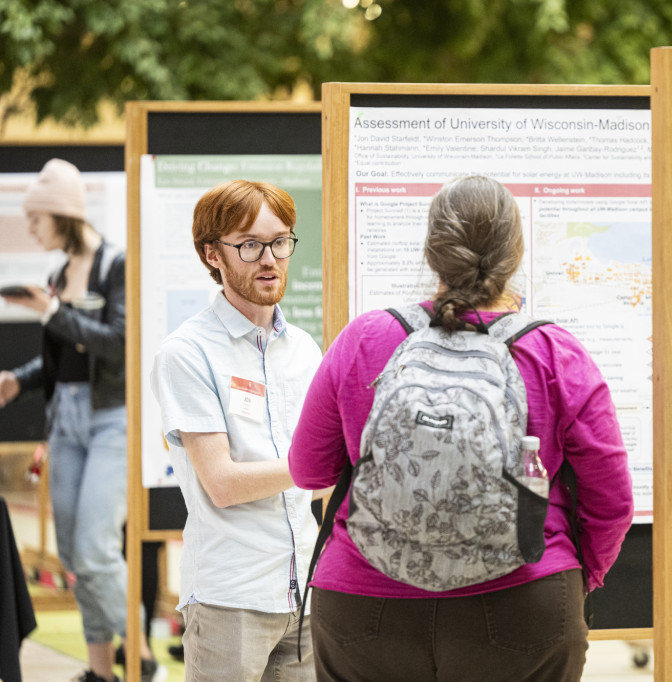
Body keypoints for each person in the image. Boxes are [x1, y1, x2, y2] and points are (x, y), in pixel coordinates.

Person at [288, 175, 635, 682]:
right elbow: (611, 501)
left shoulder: (366, 338)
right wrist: (580, 577)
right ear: (515, 253)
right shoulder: (554, 353)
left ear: (432, 252)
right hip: (522, 601)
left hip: (364, 605)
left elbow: (309, 469)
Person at [150, 180, 323, 681]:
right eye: (249, 245)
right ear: (213, 254)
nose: (269, 258)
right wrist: (314, 463)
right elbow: (222, 483)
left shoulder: (305, 349)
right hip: (232, 597)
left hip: (305, 592)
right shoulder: (187, 353)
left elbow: (323, 476)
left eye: (281, 241)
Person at [0, 158, 165, 682]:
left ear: (60, 213)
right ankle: (100, 672)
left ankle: (142, 661)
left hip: (110, 419)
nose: (30, 228)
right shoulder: (56, 274)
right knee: (74, 553)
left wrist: (51, 313)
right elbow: (61, 361)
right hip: (65, 420)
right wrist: (19, 381)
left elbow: (118, 344)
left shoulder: (114, 265)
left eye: (35, 218)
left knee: (95, 549)